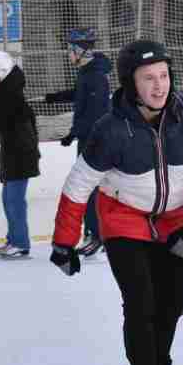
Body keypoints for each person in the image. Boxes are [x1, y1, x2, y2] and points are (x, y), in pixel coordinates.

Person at [49, 40, 183, 365]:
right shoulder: (110, 129)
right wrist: (64, 241)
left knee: (172, 302)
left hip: (177, 219)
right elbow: (78, 187)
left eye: (163, 76)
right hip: (124, 218)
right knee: (141, 300)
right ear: (131, 84)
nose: (159, 86)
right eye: (149, 79)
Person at [44, 27, 112, 258]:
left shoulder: (96, 76)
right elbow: (80, 95)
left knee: (88, 187)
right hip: (88, 138)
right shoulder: (87, 73)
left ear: (80, 50)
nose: (67, 53)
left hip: (95, 140)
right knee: (86, 186)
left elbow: (95, 113)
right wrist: (54, 98)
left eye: (70, 49)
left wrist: (73, 132)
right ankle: (94, 233)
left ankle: (97, 235)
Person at [0, 50, 40, 259]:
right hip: (14, 154)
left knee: (14, 200)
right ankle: (14, 239)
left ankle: (20, 243)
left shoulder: (9, 94)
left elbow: (1, 123)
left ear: (1, 71)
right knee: (9, 199)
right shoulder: (6, 91)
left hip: (19, 155)